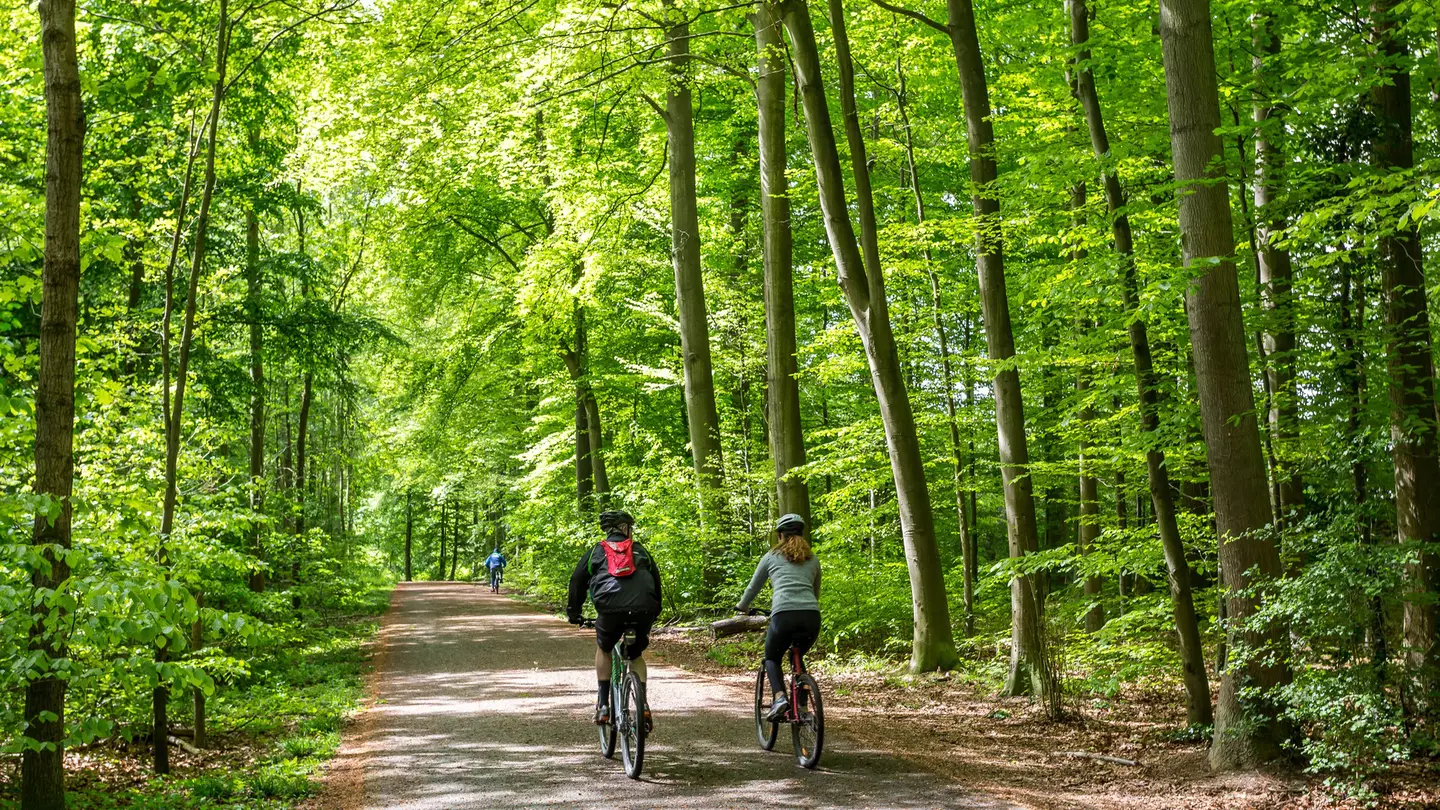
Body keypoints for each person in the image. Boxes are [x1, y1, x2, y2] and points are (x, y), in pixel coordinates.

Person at [567, 509, 662, 729]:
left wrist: (574, 613)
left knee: (604, 647)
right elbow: (656, 583)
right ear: (624, 528)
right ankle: (644, 706)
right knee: (636, 655)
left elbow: (577, 581)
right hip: (643, 610)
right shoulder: (640, 550)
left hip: (610, 611)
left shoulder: (596, 552)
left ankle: (603, 705)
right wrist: (654, 612)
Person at [736, 513, 821, 722]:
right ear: (802, 534)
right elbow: (815, 592)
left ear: (780, 535)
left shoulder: (771, 557)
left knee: (772, 657)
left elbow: (753, 586)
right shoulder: (813, 559)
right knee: (797, 655)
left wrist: (742, 607)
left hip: (783, 615)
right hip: (811, 617)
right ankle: (802, 705)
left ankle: (780, 697)